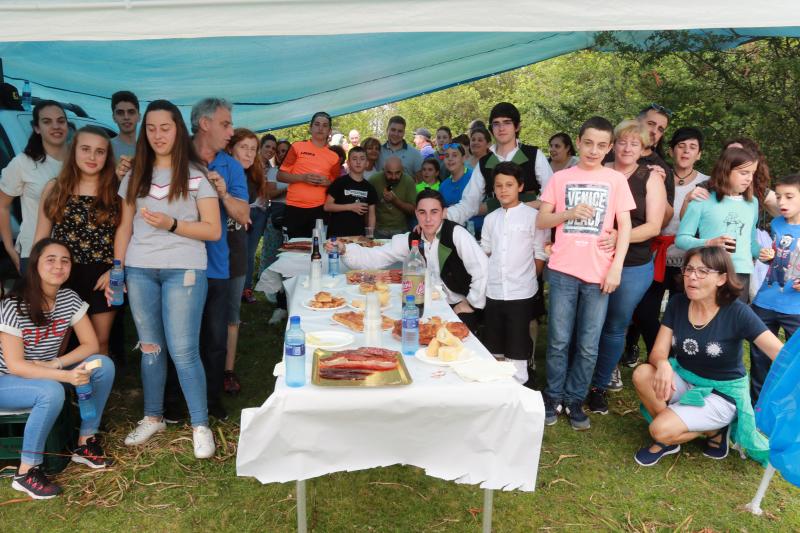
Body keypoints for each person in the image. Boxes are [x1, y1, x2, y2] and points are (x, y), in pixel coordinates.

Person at [111, 99, 220, 458]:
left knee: (184, 350)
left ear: (179, 131)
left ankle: (200, 424)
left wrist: (172, 224)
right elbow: (124, 227)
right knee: (151, 348)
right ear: (145, 132)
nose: (158, 135)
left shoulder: (195, 175)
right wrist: (117, 268)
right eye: (152, 128)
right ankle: (153, 416)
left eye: (166, 127)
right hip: (140, 269)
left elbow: (213, 230)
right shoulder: (134, 175)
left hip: (184, 268)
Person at [632, 246, 782, 466]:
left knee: (659, 430)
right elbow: (658, 352)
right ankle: (685, 429)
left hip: (722, 394)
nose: (692, 276)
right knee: (643, 373)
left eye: (703, 271)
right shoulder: (678, 303)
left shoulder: (737, 312)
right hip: (685, 379)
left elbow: (778, 352)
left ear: (721, 278)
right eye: (689, 269)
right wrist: (663, 364)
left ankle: (711, 429)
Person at [536, 116, 634, 431]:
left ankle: (575, 398)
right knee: (559, 339)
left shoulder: (616, 180)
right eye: (588, 143)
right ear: (578, 143)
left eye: (602, 145)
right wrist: (569, 213)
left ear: (609, 148)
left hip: (599, 274)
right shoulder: (561, 177)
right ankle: (553, 396)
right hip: (564, 270)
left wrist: (616, 267)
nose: (594, 150)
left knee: (589, 342)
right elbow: (542, 221)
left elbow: (626, 226)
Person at [0, 238, 115, 498]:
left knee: (103, 365)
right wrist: (64, 375)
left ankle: (85, 444)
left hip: (46, 372)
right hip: (7, 379)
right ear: (35, 265)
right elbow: (16, 365)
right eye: (50, 260)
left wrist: (57, 363)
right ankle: (26, 471)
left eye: (65, 260)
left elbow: (90, 344)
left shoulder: (68, 298)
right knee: (51, 391)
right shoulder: (14, 305)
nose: (58, 266)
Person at [585, 120, 667, 414]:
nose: (628, 148)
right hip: (592, 259)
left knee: (614, 324)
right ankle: (579, 379)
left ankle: (599, 385)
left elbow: (654, 226)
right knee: (587, 323)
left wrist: (622, 235)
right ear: (613, 144)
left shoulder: (650, 178)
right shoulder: (599, 170)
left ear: (644, 149)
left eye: (636, 143)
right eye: (622, 141)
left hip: (633, 264)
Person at [327, 188, 488, 331]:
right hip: (428, 304)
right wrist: (344, 249)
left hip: (459, 304)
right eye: (422, 212)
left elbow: (482, 269)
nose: (428, 219)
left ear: (443, 212)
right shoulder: (413, 238)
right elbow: (375, 257)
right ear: (416, 213)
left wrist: (470, 303)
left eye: (434, 212)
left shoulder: (456, 234)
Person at [623, 127, 708, 367]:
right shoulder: (658, 175)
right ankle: (658, 355)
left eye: (692, 147)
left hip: (689, 259)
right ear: (671, 150)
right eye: (681, 146)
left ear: (699, 154)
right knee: (645, 310)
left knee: (685, 312)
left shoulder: (706, 183)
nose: (686, 151)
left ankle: (684, 360)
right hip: (656, 253)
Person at [34, 125, 121, 355]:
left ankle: (97, 388)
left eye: (99, 151)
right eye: (85, 149)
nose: (92, 157)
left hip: (103, 274)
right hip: (63, 273)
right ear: (73, 151)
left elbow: (126, 236)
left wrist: (116, 270)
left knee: (100, 340)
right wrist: (36, 276)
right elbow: (41, 239)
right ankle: (62, 387)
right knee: (58, 340)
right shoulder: (55, 187)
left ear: (107, 156)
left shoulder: (117, 190)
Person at [191, 98, 249, 421]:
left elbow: (243, 216)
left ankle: (212, 402)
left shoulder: (232, 166)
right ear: (205, 124)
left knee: (214, 338)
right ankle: (173, 404)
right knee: (181, 338)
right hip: (179, 263)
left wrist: (224, 194)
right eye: (226, 124)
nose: (231, 131)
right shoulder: (175, 158)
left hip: (216, 265)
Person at [480, 162, 549, 384]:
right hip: (494, 291)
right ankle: (498, 388)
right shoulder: (491, 219)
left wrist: (529, 279)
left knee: (517, 344)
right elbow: (486, 252)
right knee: (494, 344)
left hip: (521, 291)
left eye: (509, 184)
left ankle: (520, 385)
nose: (503, 190)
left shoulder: (533, 216)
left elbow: (540, 253)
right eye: (498, 185)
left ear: (520, 186)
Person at [445, 102, 553, 225]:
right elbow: (469, 203)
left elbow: (552, 195)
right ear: (491, 128)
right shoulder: (485, 162)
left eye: (507, 122)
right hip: (497, 228)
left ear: (517, 126)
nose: (501, 128)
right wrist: (444, 215)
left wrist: (524, 207)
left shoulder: (534, 155)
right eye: (496, 124)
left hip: (531, 226)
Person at [676, 147, 762, 300]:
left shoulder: (753, 203)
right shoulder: (702, 200)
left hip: (740, 274)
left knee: (733, 322)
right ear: (726, 170)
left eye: (752, 173)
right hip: (707, 272)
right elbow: (681, 239)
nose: (749, 178)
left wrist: (763, 253)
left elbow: (750, 243)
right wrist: (710, 243)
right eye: (744, 173)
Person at [0, 100, 68, 274]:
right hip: (34, 253)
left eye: (61, 121)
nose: (56, 126)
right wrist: (9, 247)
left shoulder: (80, 161)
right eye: (47, 122)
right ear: (37, 128)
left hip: (72, 254)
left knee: (71, 302)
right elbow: (3, 205)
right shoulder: (24, 163)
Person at [749, 173, 800, 404]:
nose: (781, 203)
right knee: (759, 358)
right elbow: (780, 258)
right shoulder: (777, 223)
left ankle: (789, 409)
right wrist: (767, 256)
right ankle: (756, 409)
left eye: (789, 197)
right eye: (779, 197)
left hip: (794, 307)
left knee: (793, 362)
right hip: (765, 302)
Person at [224, 128, 265, 394]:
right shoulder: (218, 174)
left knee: (231, 315)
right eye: (244, 147)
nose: (249, 153)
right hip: (212, 253)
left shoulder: (252, 179)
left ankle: (228, 370)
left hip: (236, 252)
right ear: (231, 149)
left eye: (253, 149)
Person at [680, 137, 779, 219]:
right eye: (729, 153)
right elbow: (686, 224)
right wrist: (687, 200)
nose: (732, 158)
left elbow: (787, 208)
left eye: (737, 152)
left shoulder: (757, 189)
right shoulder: (707, 188)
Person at [278, 111, 340, 238]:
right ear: (310, 128)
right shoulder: (297, 147)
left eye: (325, 125)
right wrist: (302, 178)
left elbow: (336, 184)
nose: (320, 128)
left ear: (329, 131)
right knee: (291, 251)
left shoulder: (334, 157)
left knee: (317, 251)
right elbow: (280, 176)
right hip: (294, 208)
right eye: (317, 124)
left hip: (319, 210)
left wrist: (329, 182)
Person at [242, 134, 275, 303]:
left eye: (273, 148)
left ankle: (246, 289)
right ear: (260, 147)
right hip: (245, 211)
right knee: (239, 251)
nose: (270, 150)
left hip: (261, 212)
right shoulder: (248, 165)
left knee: (250, 253)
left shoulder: (272, 169)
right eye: (267, 146)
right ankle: (236, 289)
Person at [324, 146, 377, 237]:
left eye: (362, 159)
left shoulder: (370, 187)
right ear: (348, 163)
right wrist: (351, 207)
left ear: (367, 163)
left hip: (359, 236)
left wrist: (370, 235)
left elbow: (371, 215)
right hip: (336, 235)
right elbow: (327, 206)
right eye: (354, 159)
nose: (358, 162)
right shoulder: (339, 182)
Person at [439, 143, 482, 235]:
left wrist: (458, 209)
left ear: (463, 158)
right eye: (447, 156)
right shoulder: (443, 185)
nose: (450, 159)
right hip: (454, 234)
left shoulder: (475, 177)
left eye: (454, 155)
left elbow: (488, 206)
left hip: (478, 233)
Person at [368, 156, 416, 238]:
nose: (393, 177)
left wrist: (395, 200)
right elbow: (367, 209)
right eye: (389, 173)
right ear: (383, 170)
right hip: (378, 230)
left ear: (402, 170)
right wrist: (370, 234)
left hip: (401, 231)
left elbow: (413, 210)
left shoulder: (408, 181)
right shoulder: (374, 180)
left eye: (397, 173)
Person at [110, 90, 140, 161]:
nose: (126, 117)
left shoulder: (147, 150)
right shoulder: (106, 147)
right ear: (114, 118)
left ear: (139, 117)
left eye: (131, 112)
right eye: (120, 113)